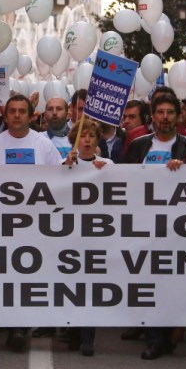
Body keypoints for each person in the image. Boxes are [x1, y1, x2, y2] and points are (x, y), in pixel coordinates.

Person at [124, 93, 186, 360]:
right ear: (152, 117)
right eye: (160, 112)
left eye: (170, 112)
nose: (164, 117)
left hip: (178, 229)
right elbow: (123, 183)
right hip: (144, 228)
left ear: (178, 116)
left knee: (172, 283)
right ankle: (155, 339)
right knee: (149, 282)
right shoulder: (138, 146)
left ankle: (166, 335)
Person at [0, 94, 63, 352]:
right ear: (6, 116)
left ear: (31, 115)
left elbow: (60, 181)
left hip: (35, 225)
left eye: (21, 111)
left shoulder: (44, 145)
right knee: (6, 276)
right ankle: (10, 322)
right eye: (12, 111)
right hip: (1, 225)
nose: (16, 115)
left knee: (28, 276)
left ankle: (19, 326)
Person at [63, 119, 112, 357]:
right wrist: (66, 168)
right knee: (70, 288)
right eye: (83, 136)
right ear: (75, 140)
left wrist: (108, 174)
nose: (88, 140)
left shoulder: (108, 165)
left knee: (89, 288)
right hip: (69, 237)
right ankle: (71, 332)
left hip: (96, 237)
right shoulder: (65, 164)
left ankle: (87, 338)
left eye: (92, 136)